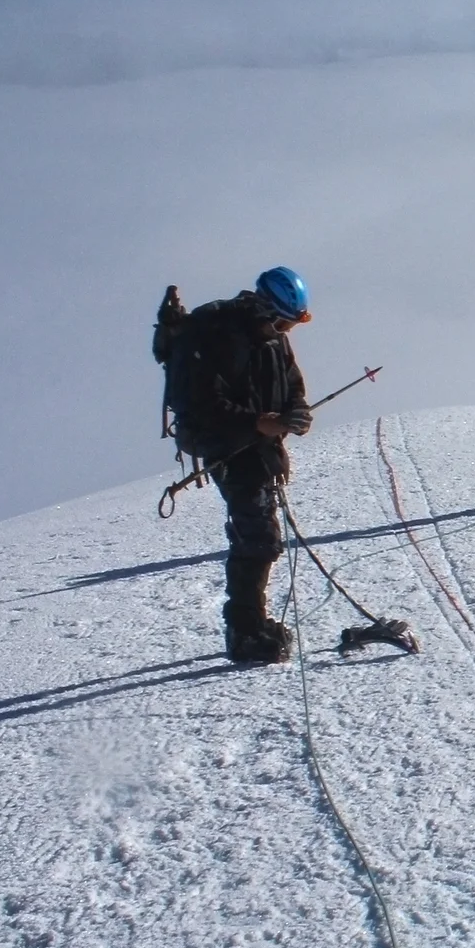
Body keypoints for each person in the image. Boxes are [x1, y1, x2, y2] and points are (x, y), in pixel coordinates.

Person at [162, 267, 315, 663]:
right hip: (226, 445)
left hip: (259, 445)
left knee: (260, 534)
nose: (286, 331)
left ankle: (252, 624)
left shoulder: (272, 339)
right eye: (282, 321)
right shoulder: (216, 331)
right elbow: (198, 399)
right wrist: (255, 422)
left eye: (292, 323)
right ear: (264, 309)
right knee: (256, 534)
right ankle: (244, 632)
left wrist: (295, 414)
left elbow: (291, 383)